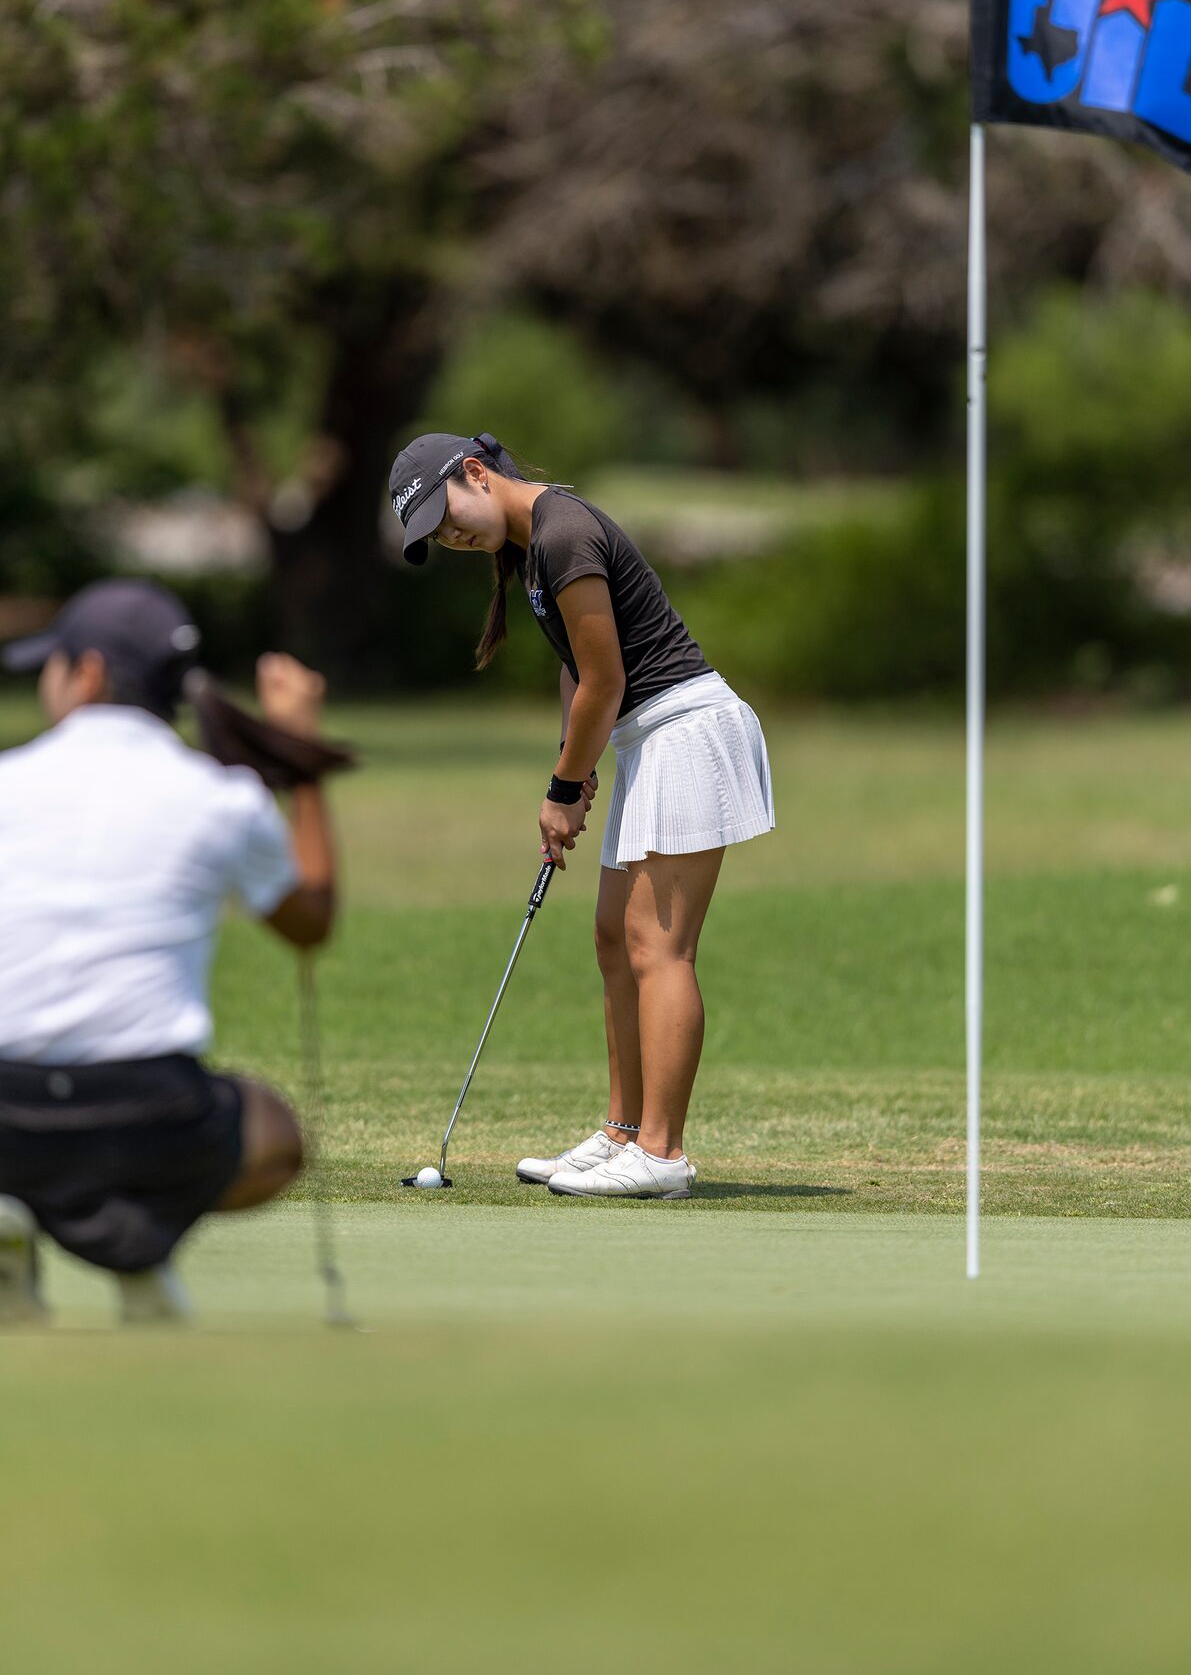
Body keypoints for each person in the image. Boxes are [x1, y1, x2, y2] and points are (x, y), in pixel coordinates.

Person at [388, 431, 774, 1200]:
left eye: (448, 514)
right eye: (437, 535)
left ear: (475, 474)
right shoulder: (535, 548)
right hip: (646, 738)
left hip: (685, 730)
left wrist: (564, 790)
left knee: (657, 946)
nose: (454, 536)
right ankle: (623, 1132)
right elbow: (576, 667)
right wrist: (576, 758)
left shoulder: (562, 532)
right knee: (612, 936)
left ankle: (661, 1155)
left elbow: (606, 676)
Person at [0, 579, 338, 1325]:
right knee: (277, 1138)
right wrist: (302, 759)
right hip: (150, 1113)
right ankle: (140, 1247)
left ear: (86, 674)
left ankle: (14, 1209)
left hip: (6, 1110)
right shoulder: (219, 793)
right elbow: (311, 920)